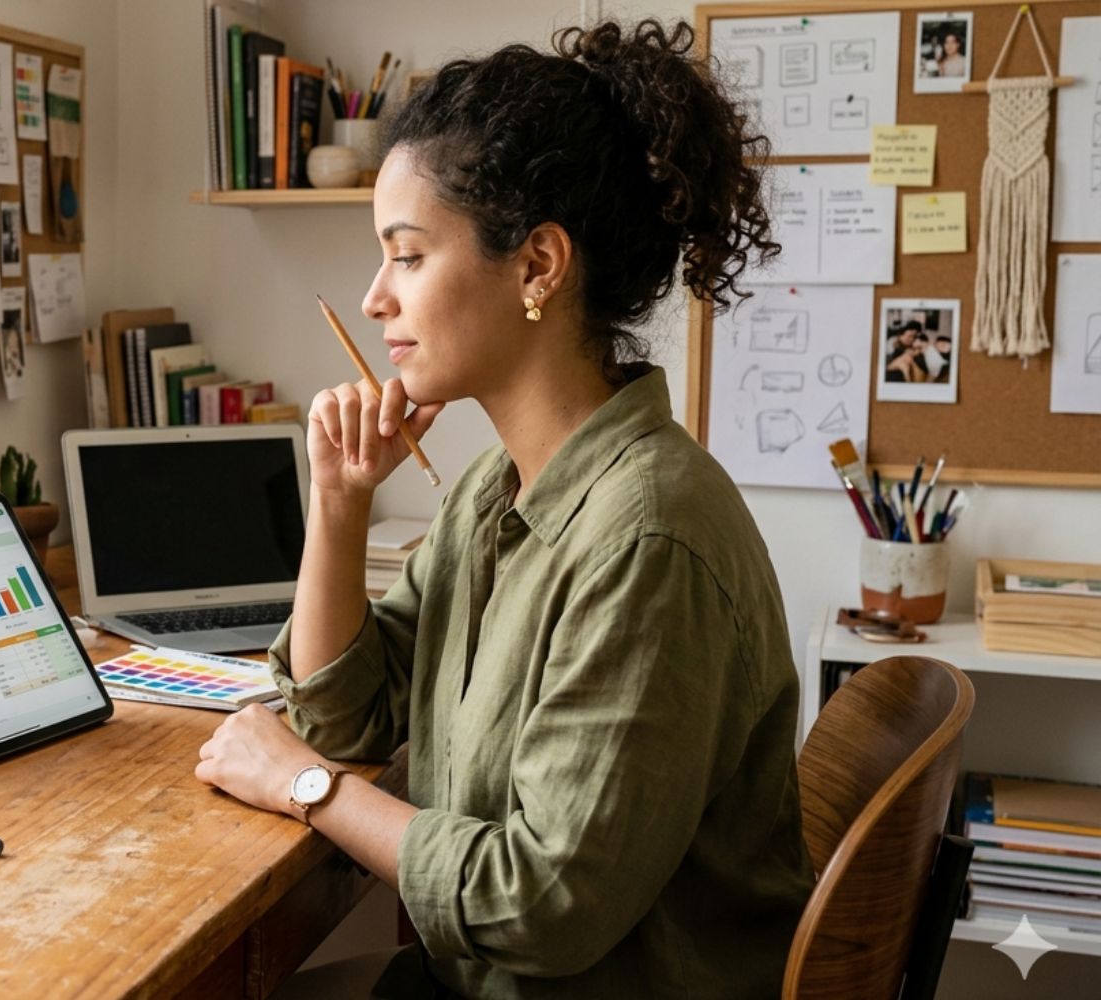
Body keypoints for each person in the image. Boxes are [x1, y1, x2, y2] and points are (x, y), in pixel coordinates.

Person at [193, 20, 813, 998]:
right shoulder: (500, 486)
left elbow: (541, 904)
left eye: (406, 256)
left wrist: (302, 789)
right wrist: (340, 504)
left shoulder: (649, 538)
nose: (373, 300)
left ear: (537, 267)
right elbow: (344, 720)